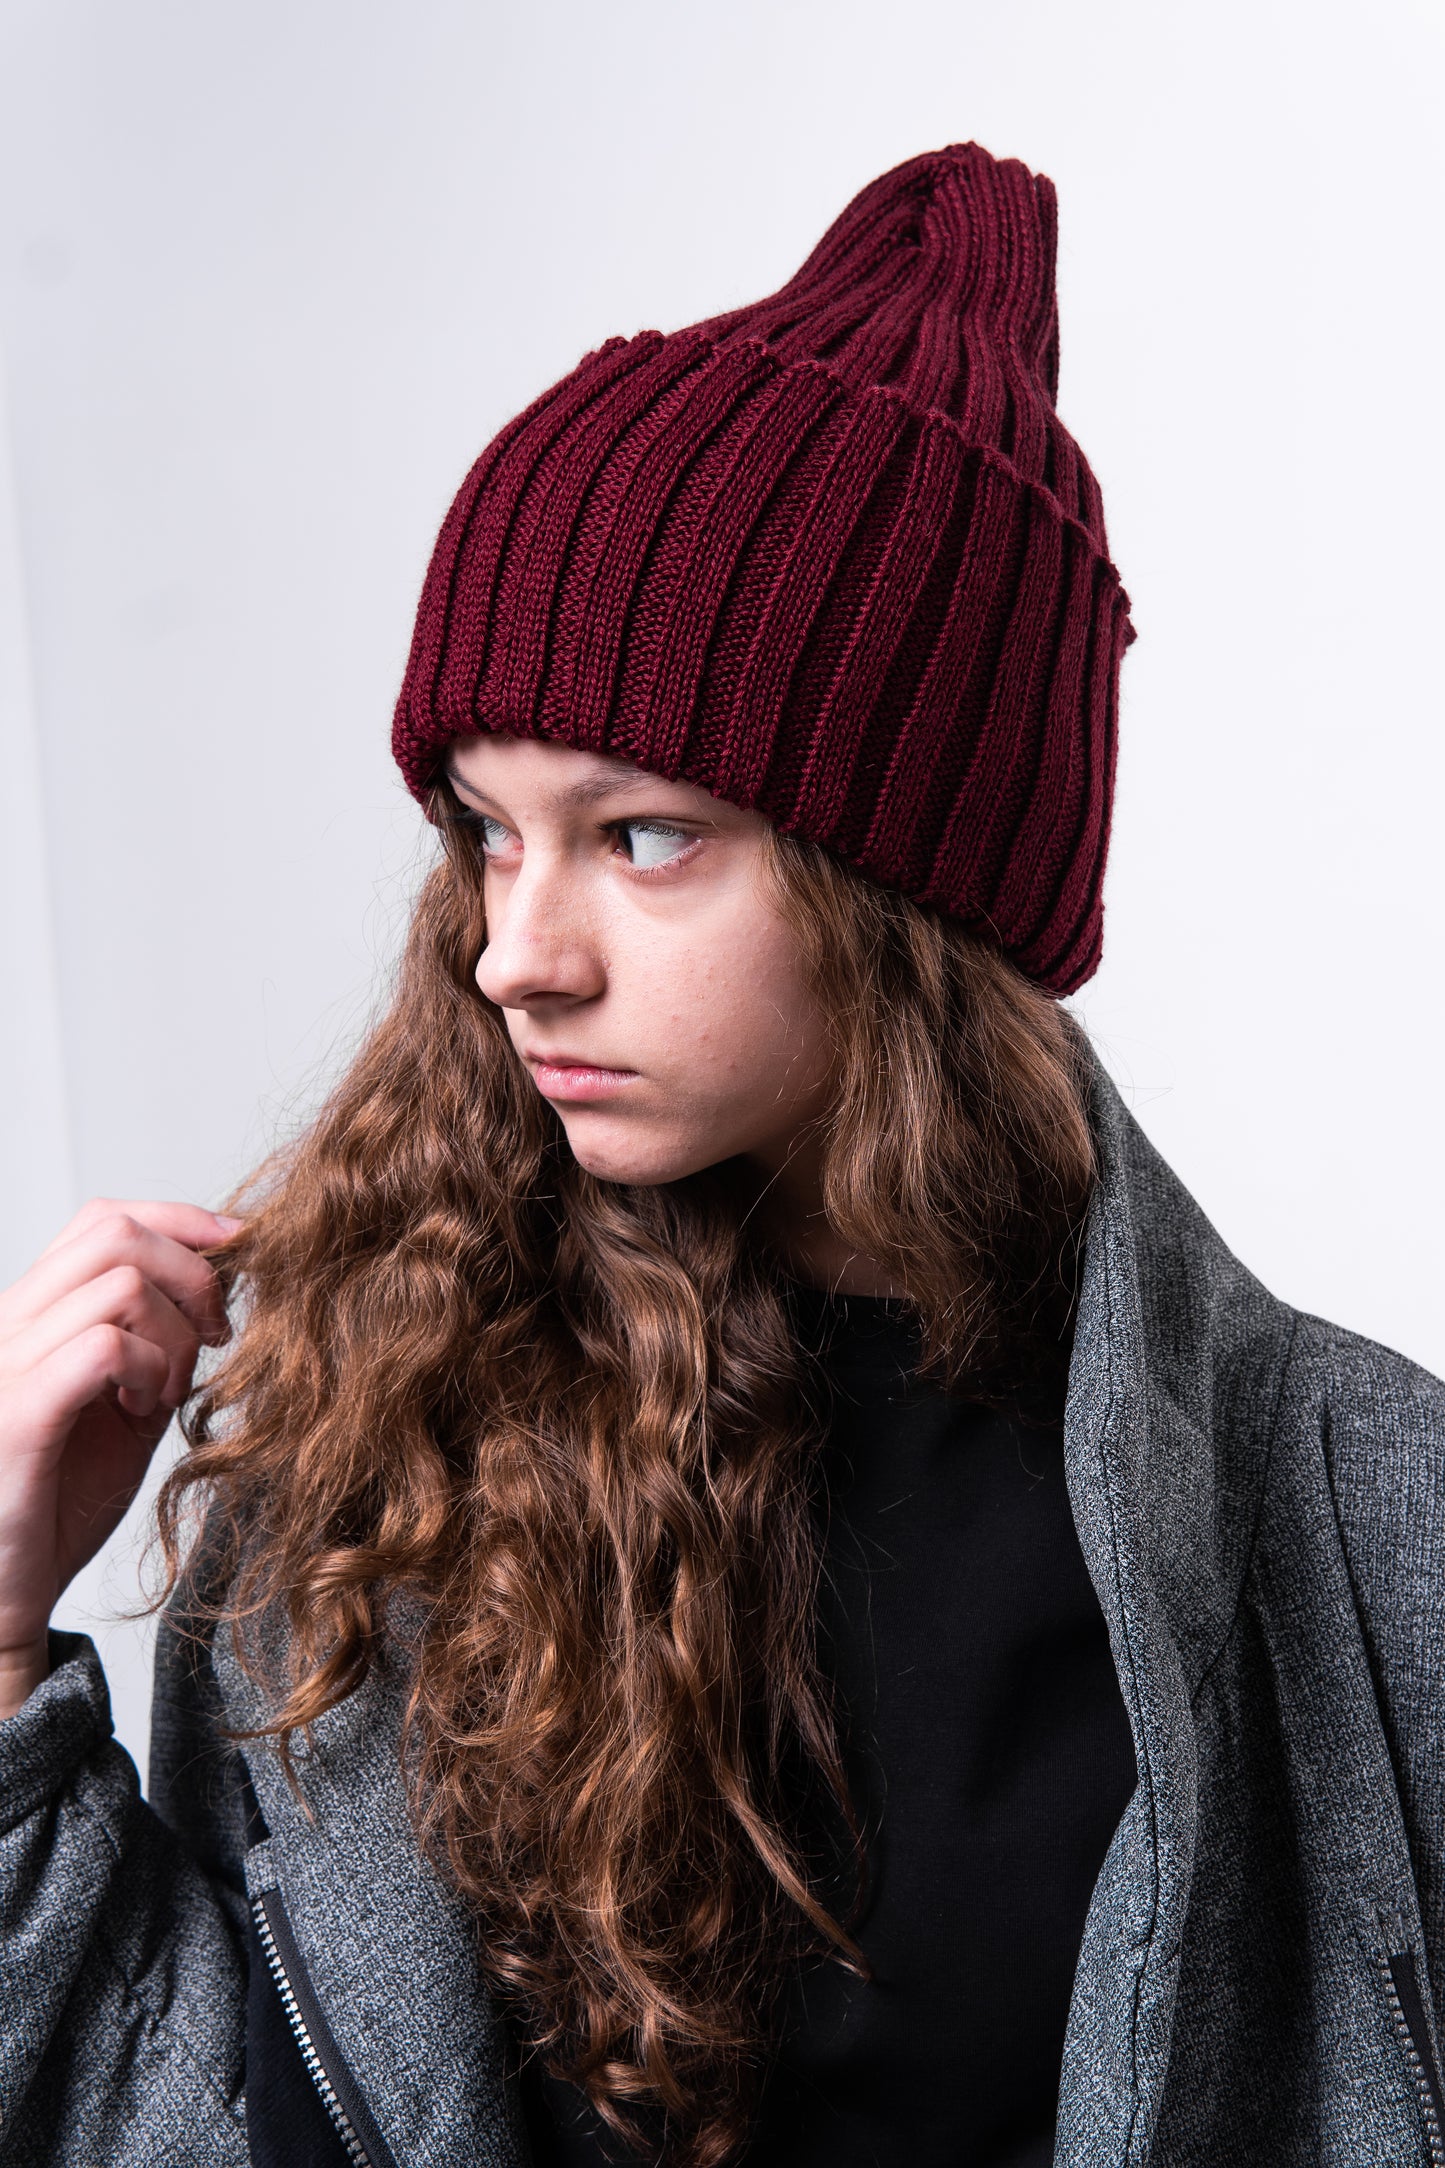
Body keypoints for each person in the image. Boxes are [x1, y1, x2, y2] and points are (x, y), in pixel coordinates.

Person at [0, 140, 1442, 2168]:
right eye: (486, 831)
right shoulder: (361, 1465)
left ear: (910, 879)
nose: (517, 952)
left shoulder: (1366, 1519)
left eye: (644, 833)